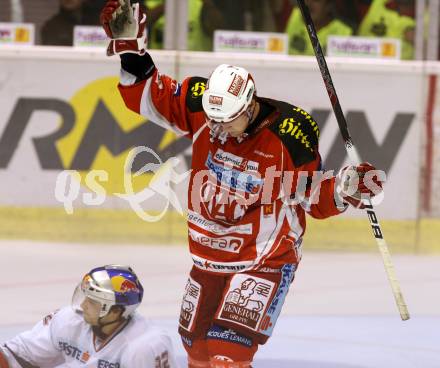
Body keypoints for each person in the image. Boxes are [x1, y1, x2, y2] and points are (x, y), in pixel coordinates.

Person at [100, 2, 385, 367]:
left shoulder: (288, 135)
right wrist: (130, 48)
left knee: (227, 356)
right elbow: (149, 93)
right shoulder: (202, 104)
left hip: (264, 257)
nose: (218, 128)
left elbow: (312, 198)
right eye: (213, 119)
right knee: (197, 350)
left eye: (228, 120)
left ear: (249, 105)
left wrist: (348, 188)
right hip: (209, 255)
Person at [0, 265, 179, 368]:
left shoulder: (144, 347)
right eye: (86, 297)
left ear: (116, 311)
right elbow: (14, 356)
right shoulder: (69, 321)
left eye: (93, 302)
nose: (84, 305)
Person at [286, 0, 353, 55]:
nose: (309, 3)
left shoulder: (344, 32)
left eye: (316, 0)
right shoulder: (291, 15)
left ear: (328, 6)